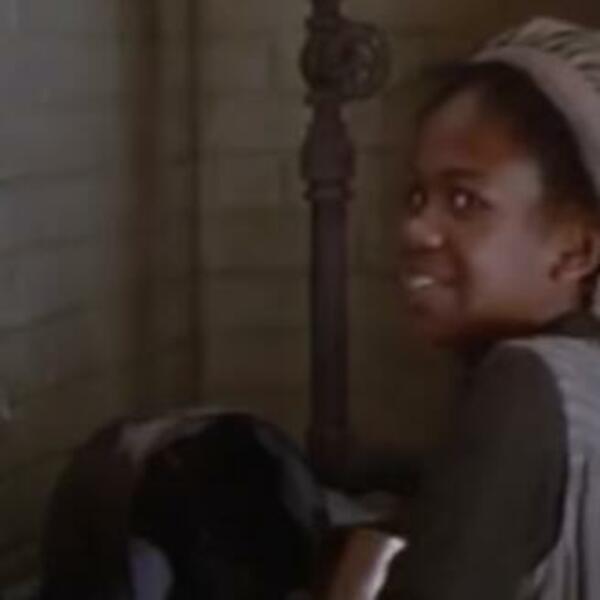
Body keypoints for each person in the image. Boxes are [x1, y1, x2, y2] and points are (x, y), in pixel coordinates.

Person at [392, 17, 600, 600]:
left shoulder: (525, 383)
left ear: (576, 250)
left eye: (465, 200)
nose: (415, 229)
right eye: (417, 196)